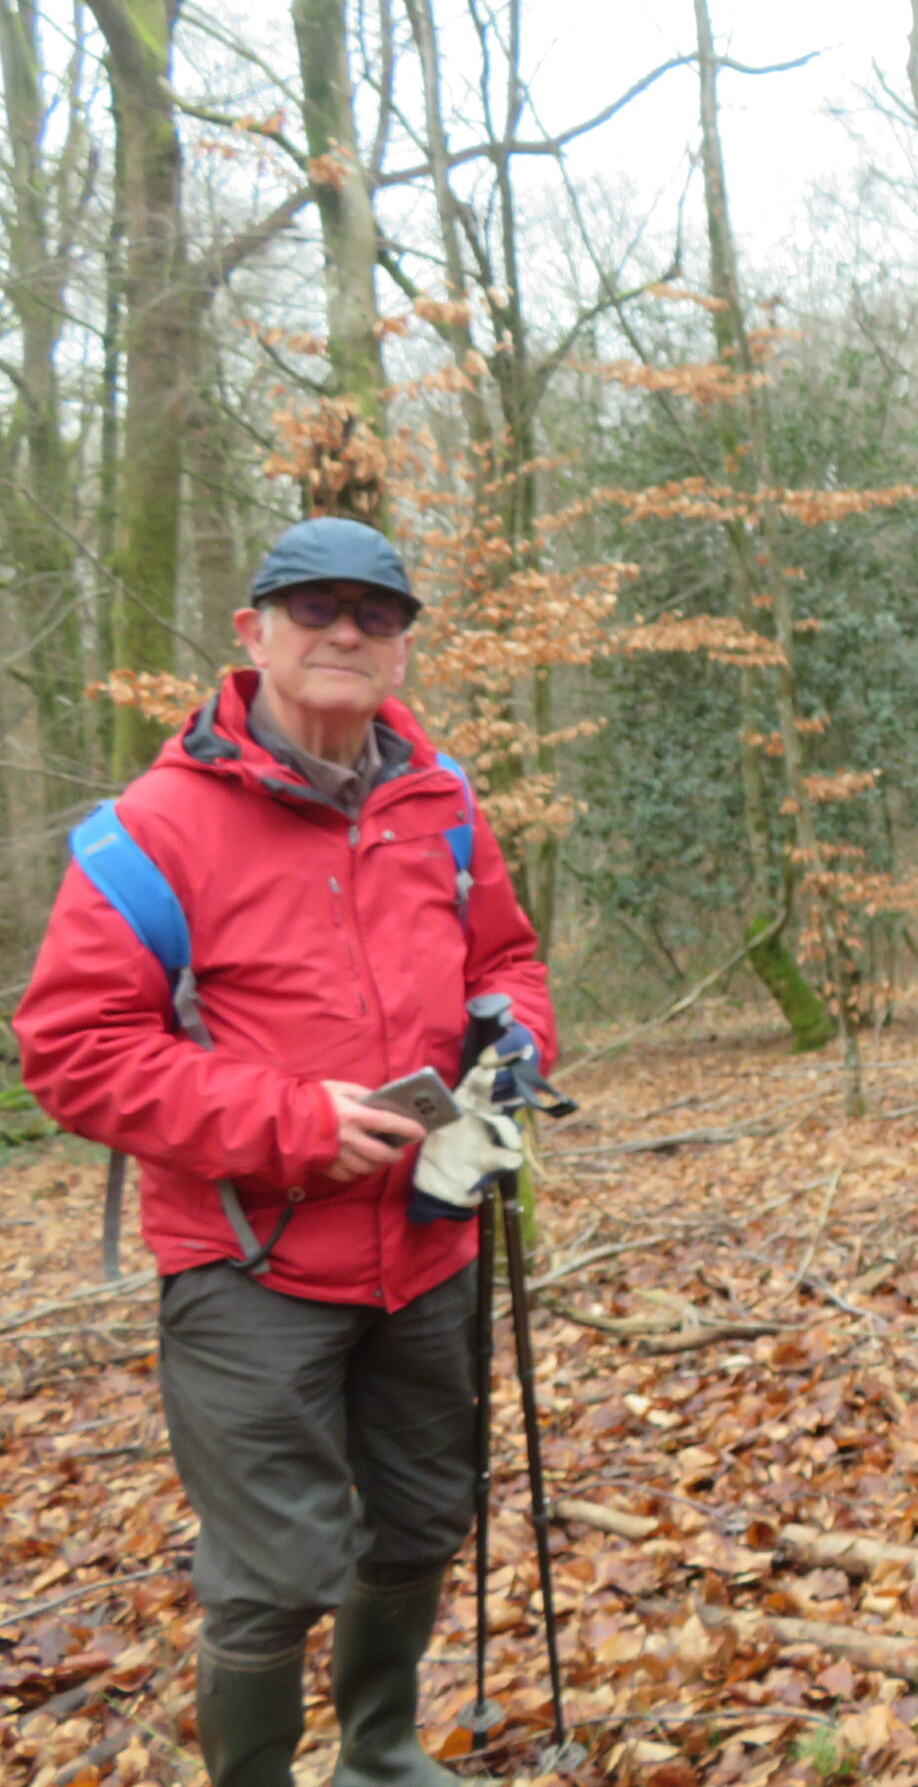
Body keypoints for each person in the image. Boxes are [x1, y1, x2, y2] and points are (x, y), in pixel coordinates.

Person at [15, 519, 555, 1787]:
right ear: (253, 631)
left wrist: (515, 1039)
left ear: (403, 646)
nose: (345, 631)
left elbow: (507, 959)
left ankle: (382, 1756)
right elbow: (73, 1049)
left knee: (423, 1517)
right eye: (314, 607)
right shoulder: (151, 829)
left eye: (377, 613)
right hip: (248, 1263)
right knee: (272, 1574)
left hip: (429, 1242)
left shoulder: (442, 802)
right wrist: (298, 1125)